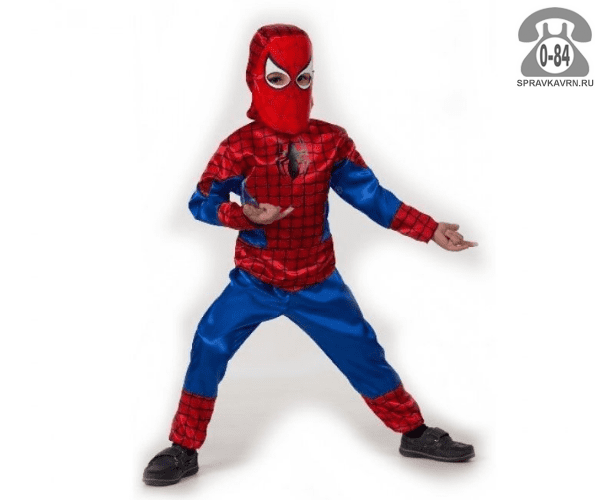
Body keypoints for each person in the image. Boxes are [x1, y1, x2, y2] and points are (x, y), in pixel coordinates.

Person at [143, 24, 477, 487]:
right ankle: (184, 447)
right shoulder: (239, 146)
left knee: (363, 351)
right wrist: (241, 215)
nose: (293, 90)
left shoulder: (331, 141)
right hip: (255, 280)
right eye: (278, 79)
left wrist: (430, 229)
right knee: (209, 342)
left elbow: (371, 197)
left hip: (317, 281)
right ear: (256, 78)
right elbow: (200, 201)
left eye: (303, 78)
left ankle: (414, 433)